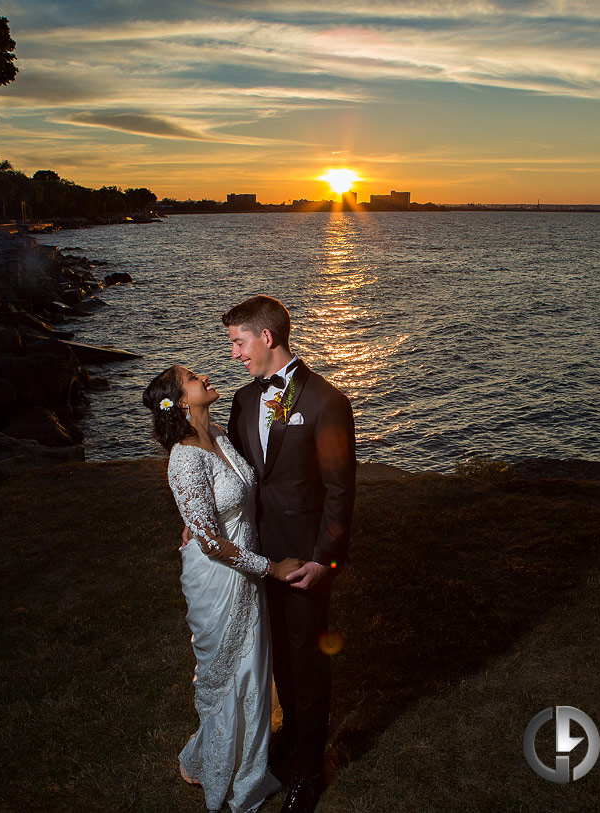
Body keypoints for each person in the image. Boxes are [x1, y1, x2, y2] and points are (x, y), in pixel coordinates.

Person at [143, 364, 302, 813]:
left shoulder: (217, 432)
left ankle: (242, 766)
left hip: (245, 568)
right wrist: (269, 568)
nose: (205, 378)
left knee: (252, 671)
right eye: (193, 378)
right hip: (218, 577)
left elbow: (224, 502)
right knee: (232, 674)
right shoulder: (184, 456)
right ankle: (229, 774)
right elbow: (210, 542)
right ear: (179, 400)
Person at [221, 296, 356, 813]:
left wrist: (325, 559)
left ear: (267, 338)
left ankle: (309, 768)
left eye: (238, 342)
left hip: (304, 561)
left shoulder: (326, 402)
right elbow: (236, 475)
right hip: (258, 557)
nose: (234, 354)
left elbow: (340, 490)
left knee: (307, 660)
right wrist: (201, 525)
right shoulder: (240, 399)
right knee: (276, 652)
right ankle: (292, 736)